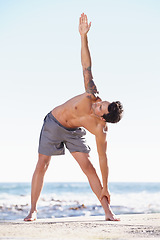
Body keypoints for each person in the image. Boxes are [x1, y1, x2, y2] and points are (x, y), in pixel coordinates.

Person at [24, 13, 123, 222]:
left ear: (103, 118)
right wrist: (83, 37)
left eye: (101, 107)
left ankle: (107, 211)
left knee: (89, 167)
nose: (98, 103)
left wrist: (106, 186)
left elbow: (103, 159)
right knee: (42, 163)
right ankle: (32, 210)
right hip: (54, 122)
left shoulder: (100, 130)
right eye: (101, 102)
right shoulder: (91, 93)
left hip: (74, 132)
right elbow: (86, 66)